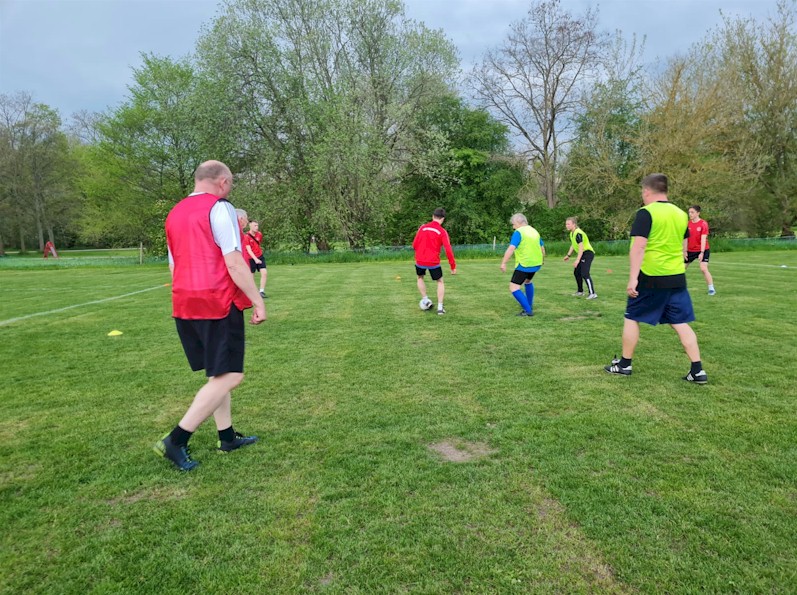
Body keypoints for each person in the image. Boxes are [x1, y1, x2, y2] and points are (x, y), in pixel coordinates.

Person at [154, 160, 267, 471]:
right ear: (223, 182)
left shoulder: (174, 213)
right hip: (217, 300)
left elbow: (173, 264)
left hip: (185, 301)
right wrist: (257, 300)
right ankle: (176, 440)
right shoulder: (220, 208)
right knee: (232, 374)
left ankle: (227, 436)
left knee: (218, 373)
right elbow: (233, 261)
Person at [605, 173, 707, 383]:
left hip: (651, 276)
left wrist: (633, 278)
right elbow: (684, 246)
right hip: (677, 277)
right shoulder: (680, 214)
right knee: (679, 322)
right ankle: (698, 370)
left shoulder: (646, 213)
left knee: (632, 316)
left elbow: (639, 247)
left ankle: (624, 365)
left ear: (646, 191)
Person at [412, 207, 457, 315]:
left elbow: (414, 245)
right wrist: (453, 266)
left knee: (420, 277)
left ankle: (425, 299)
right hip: (433, 261)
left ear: (433, 216)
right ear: (443, 219)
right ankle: (440, 307)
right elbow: (448, 249)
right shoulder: (442, 231)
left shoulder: (422, 228)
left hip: (420, 260)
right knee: (440, 281)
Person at [500, 213, 545, 317]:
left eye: (513, 224)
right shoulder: (534, 231)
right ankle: (529, 304)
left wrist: (504, 262)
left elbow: (511, 248)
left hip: (524, 264)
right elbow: (542, 247)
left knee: (513, 287)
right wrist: (542, 258)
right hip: (536, 263)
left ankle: (528, 310)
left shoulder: (519, 232)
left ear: (518, 222)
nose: (513, 227)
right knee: (528, 281)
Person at [685, 205, 716, 295]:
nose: (690, 214)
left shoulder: (703, 223)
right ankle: (677, 289)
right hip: (690, 250)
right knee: (681, 269)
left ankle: (711, 289)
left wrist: (701, 252)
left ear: (698, 213)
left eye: (692, 212)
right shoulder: (687, 224)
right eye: (689, 212)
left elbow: (703, 239)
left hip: (703, 249)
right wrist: (685, 251)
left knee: (703, 268)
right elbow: (685, 238)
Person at [563, 217, 597, 299]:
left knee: (585, 273)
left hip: (587, 254)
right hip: (582, 254)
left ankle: (592, 293)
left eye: (568, 224)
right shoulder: (572, 233)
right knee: (577, 273)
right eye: (566, 224)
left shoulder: (578, 233)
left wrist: (577, 260)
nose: (566, 226)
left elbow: (581, 248)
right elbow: (573, 245)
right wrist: (568, 255)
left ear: (574, 224)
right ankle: (580, 291)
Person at [245, 220, 267, 298]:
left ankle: (261, 291)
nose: (257, 227)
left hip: (260, 256)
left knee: (264, 273)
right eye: (255, 226)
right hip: (251, 258)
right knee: (251, 276)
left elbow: (258, 243)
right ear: (250, 226)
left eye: (257, 225)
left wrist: (258, 256)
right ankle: (252, 293)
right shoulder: (246, 236)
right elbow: (249, 250)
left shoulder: (259, 234)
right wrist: (255, 259)